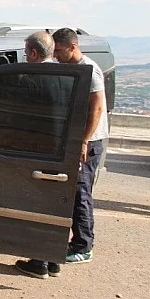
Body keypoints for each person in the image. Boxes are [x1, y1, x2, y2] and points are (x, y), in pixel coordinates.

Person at [52, 27, 109, 264]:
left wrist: (84, 140)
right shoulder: (69, 67)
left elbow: (96, 108)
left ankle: (83, 246)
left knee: (80, 191)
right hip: (77, 137)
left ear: (73, 47)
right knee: (72, 191)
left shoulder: (90, 70)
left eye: (59, 50)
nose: (56, 55)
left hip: (90, 139)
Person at [14, 31, 63, 279]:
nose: (25, 57)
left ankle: (39, 261)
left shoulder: (32, 79)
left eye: (25, 53)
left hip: (36, 150)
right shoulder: (67, 77)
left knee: (36, 205)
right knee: (54, 205)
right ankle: (53, 259)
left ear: (33, 53)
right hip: (63, 150)